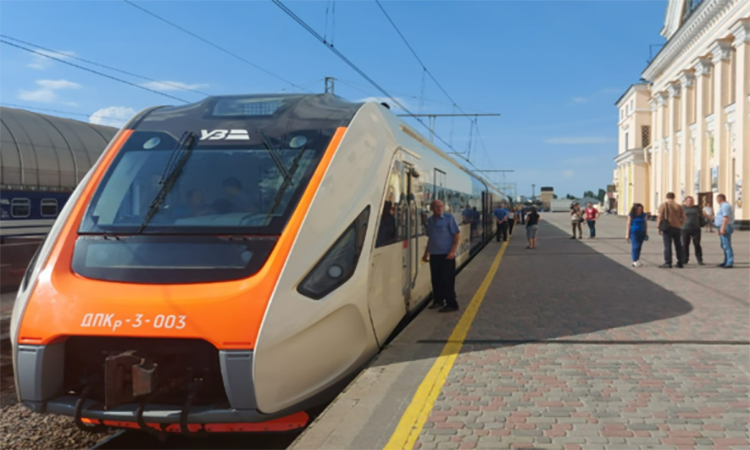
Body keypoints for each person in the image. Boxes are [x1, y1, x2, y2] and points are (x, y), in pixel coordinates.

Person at [423, 200, 461, 312]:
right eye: (436, 206)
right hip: (435, 254)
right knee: (436, 279)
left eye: (441, 206)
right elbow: (431, 238)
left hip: (446, 255)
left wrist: (452, 252)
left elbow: (456, 236)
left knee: (447, 280)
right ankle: (438, 300)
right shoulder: (430, 221)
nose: (439, 208)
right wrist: (426, 253)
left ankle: (452, 304)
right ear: (431, 208)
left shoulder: (449, 218)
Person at [657, 192, 686, 269]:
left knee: (667, 245)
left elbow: (660, 217)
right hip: (677, 227)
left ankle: (668, 262)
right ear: (674, 197)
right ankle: (680, 262)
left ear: (666, 197)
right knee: (678, 245)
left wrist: (658, 227)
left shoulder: (664, 205)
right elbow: (684, 217)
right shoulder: (679, 206)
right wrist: (680, 224)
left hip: (667, 227)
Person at [681, 196, 705, 266]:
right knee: (685, 244)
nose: (691, 202)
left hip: (696, 228)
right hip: (685, 228)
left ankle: (699, 259)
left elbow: (702, 216)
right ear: (685, 201)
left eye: (692, 201)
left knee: (697, 244)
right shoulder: (682, 208)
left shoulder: (697, 208)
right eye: (689, 201)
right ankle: (685, 259)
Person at [715, 193, 735, 268]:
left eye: (717, 199)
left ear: (719, 199)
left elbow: (726, 217)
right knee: (724, 245)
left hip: (726, 226)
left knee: (726, 245)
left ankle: (729, 262)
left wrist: (722, 228)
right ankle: (726, 261)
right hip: (722, 226)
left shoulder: (725, 206)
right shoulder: (723, 206)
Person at [626, 203, 648, 267]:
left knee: (639, 247)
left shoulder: (644, 215)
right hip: (634, 232)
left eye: (641, 209)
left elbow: (645, 224)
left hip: (642, 232)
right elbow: (628, 224)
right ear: (635, 209)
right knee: (635, 246)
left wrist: (646, 232)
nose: (639, 210)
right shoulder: (631, 215)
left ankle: (637, 259)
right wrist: (627, 234)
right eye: (638, 209)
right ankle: (634, 261)